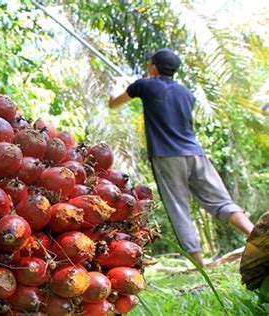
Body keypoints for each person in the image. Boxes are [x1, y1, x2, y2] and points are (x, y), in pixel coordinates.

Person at [108, 48, 254, 266]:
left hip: (167, 156)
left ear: (153, 67)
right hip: (196, 154)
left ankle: (198, 265)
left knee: (178, 208)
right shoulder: (186, 93)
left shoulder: (144, 85)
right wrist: (139, 84)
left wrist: (120, 84)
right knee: (221, 202)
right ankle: (258, 236)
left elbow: (113, 103)